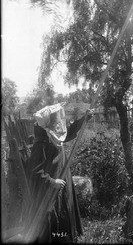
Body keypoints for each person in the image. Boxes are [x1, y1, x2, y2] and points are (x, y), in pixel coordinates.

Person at [26, 102, 94, 243]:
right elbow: (34, 171)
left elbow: (68, 132)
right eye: (56, 121)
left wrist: (84, 119)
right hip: (49, 191)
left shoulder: (55, 138)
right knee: (51, 223)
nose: (59, 124)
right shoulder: (41, 144)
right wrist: (52, 182)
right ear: (49, 124)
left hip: (62, 184)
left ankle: (65, 239)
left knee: (64, 217)